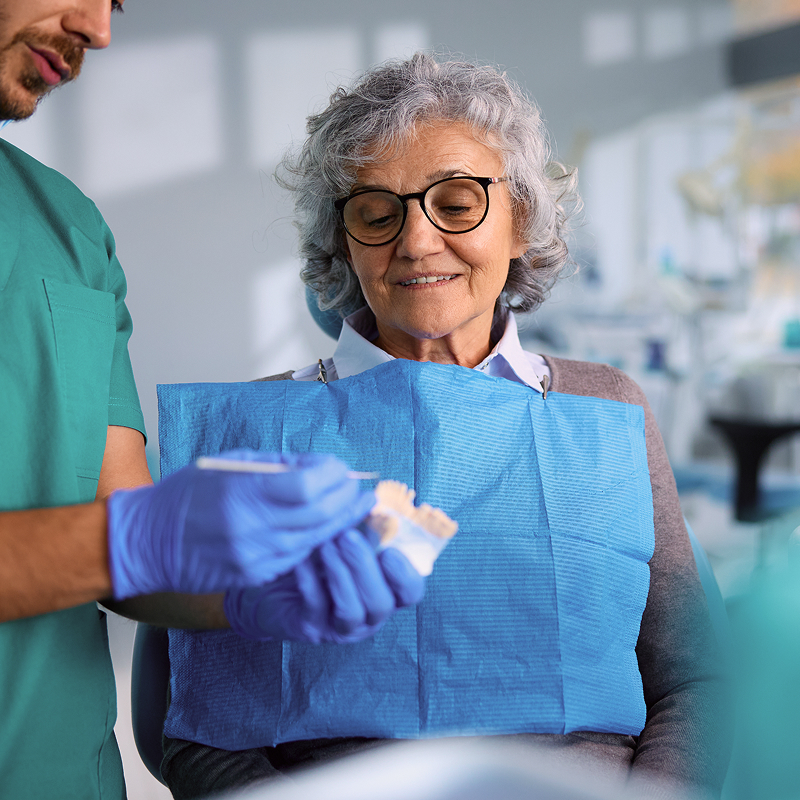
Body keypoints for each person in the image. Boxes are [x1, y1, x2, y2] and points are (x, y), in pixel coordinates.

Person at [159, 53, 731, 799]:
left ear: (520, 220)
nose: (418, 241)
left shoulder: (606, 408)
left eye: (457, 204)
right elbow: (199, 730)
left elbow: (697, 682)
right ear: (343, 243)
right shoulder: (251, 432)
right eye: (376, 211)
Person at [0, 3, 423, 798]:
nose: (99, 28)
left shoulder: (65, 227)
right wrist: (134, 540)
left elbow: (119, 546)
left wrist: (251, 590)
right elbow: (121, 542)